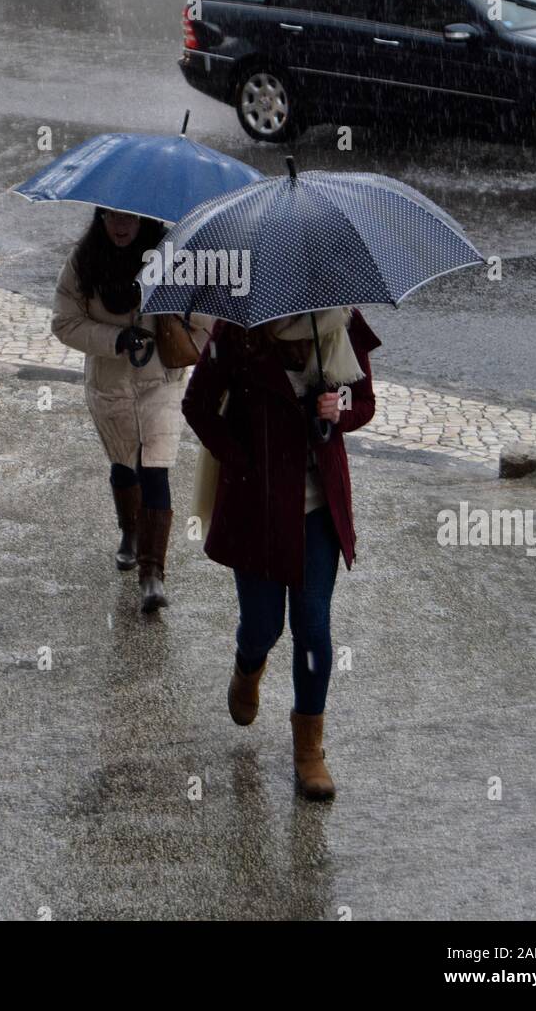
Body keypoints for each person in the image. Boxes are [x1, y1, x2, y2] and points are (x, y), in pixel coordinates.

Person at [182, 308, 380, 799]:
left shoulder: (341, 324)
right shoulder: (238, 331)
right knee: (263, 626)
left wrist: (340, 408)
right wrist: (243, 461)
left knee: (313, 625)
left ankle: (309, 751)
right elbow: (197, 404)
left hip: (318, 509)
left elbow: (365, 402)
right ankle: (247, 666)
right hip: (259, 507)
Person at [53, 207, 208, 613]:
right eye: (111, 218)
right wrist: (117, 339)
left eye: (129, 219)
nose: (121, 226)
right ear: (100, 219)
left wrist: (175, 320)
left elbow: (205, 317)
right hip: (110, 384)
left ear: (146, 221)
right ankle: (129, 531)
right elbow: (64, 322)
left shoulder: (174, 256)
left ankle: (153, 574)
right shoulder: (84, 261)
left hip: (160, 381)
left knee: (155, 466)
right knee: (124, 461)